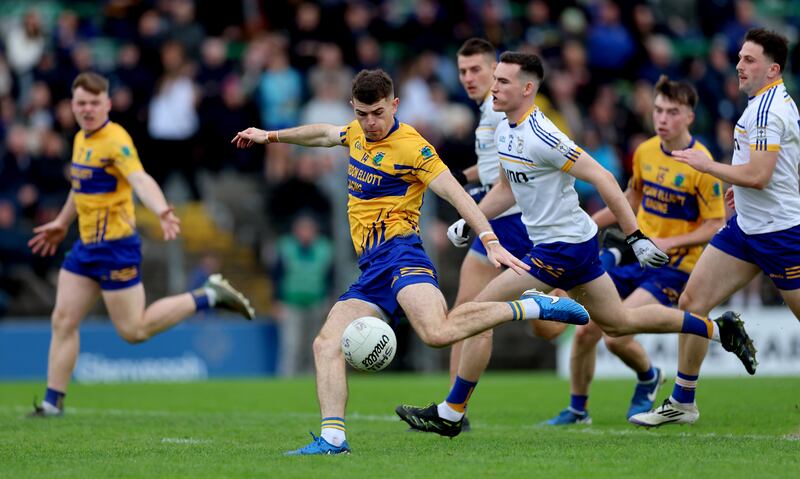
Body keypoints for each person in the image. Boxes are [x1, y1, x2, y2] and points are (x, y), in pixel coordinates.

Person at [395, 52, 757, 438]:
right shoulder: (504, 127)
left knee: (479, 310)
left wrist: (635, 236)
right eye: (495, 79)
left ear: (528, 88)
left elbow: (602, 177)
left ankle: (452, 412)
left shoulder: (544, 135)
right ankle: (719, 330)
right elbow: (505, 189)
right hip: (573, 244)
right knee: (619, 323)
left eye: (502, 81)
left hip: (561, 248)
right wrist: (472, 221)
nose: (493, 86)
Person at [231, 69, 591, 455]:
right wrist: (270, 136)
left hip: (403, 255)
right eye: (364, 113)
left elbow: (457, 195)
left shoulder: (413, 148)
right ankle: (334, 438)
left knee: (436, 333)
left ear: (395, 105)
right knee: (326, 343)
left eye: (379, 113)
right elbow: (322, 134)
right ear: (354, 108)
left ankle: (534, 305)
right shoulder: (355, 132)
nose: (371, 122)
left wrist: (488, 237)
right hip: (371, 269)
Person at [27, 72, 255, 417]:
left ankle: (208, 294)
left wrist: (162, 208)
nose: (87, 109)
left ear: (106, 104)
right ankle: (52, 402)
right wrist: (61, 222)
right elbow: (80, 186)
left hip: (117, 247)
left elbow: (139, 177)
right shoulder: (80, 139)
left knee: (134, 330)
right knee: (62, 320)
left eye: (93, 103)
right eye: (81, 103)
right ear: (72, 105)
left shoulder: (115, 139)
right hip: (87, 247)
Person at [630, 28, 800, 427]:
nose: (740, 66)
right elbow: (772, 171)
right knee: (692, 303)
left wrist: (709, 167)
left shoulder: (767, 110)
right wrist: (738, 194)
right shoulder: (770, 102)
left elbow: (759, 175)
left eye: (750, 60)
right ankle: (683, 402)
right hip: (745, 228)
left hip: (779, 234)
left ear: (773, 69)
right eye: (740, 58)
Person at [545, 76, 726, 425]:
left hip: (674, 268)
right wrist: (588, 225)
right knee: (584, 332)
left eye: (673, 112)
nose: (662, 118)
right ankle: (578, 410)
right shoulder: (644, 151)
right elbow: (629, 201)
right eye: (658, 110)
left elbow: (714, 225)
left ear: (689, 117)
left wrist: (668, 243)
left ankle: (649, 376)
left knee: (617, 334)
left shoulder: (701, 163)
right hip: (634, 257)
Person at [444, 38, 534, 431]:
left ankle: (452, 409)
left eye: (476, 69)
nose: (468, 78)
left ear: (494, 68)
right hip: (495, 219)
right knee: (465, 313)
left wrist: (469, 212)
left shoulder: (502, 111)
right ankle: (452, 411)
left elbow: (510, 179)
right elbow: (492, 168)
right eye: (462, 71)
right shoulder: (487, 112)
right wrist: (456, 179)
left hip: (515, 222)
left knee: (546, 326)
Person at [272, 212, 334, 377]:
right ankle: (288, 377)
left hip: (316, 301)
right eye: (303, 229)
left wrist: (329, 300)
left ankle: (311, 378)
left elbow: (330, 276)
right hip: (291, 302)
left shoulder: (324, 248)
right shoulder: (286, 247)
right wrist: (277, 301)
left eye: (309, 229)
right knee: (291, 344)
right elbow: (276, 275)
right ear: (296, 231)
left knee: (314, 343)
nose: (306, 233)